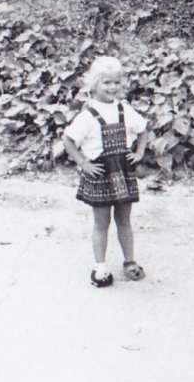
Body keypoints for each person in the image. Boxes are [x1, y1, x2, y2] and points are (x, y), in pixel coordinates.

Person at [62, 56, 149, 288]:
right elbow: (68, 140)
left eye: (116, 83)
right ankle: (100, 268)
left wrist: (139, 153)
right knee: (101, 223)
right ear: (94, 84)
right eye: (106, 83)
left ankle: (129, 261)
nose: (112, 88)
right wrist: (83, 163)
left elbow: (142, 130)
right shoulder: (88, 115)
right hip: (100, 174)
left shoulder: (125, 110)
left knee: (124, 220)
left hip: (123, 171)